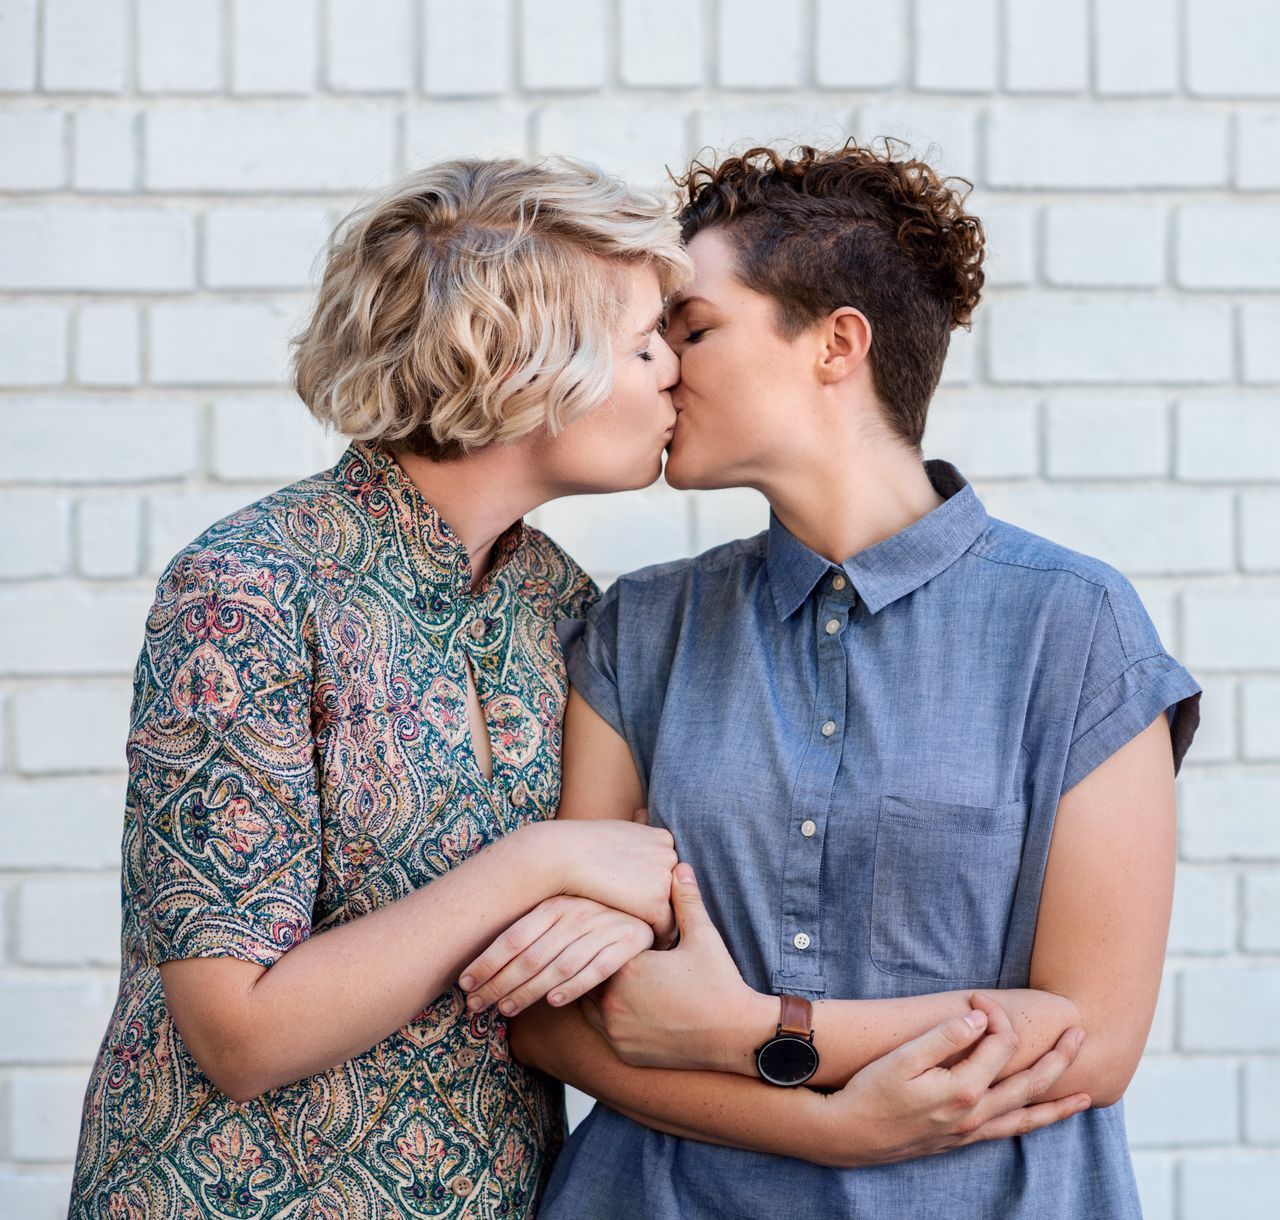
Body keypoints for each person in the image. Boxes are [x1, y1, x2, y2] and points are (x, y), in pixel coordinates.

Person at [479, 143, 1201, 1218]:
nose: (661, 367)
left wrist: (744, 1028)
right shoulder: (639, 628)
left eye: (694, 328)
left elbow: (1086, 1041)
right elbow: (556, 1015)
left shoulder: (1074, 627)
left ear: (835, 343)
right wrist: (828, 1118)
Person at [67, 156, 690, 1218]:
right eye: (641, 345)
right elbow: (241, 1032)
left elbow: (625, 881)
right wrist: (535, 861)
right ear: (524, 370)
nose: (672, 370)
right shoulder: (249, 589)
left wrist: (625, 910)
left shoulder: (561, 602)